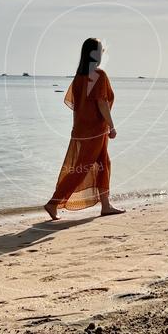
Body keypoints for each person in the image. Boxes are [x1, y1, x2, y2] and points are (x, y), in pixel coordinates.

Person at [44, 37, 125, 220]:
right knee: (82, 168)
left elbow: (76, 106)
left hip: (83, 129)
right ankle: (53, 203)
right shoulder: (98, 75)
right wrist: (112, 126)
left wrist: (75, 127)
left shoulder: (80, 77)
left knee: (104, 164)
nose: (103, 53)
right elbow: (102, 103)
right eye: (101, 50)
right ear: (94, 53)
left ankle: (105, 205)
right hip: (95, 130)